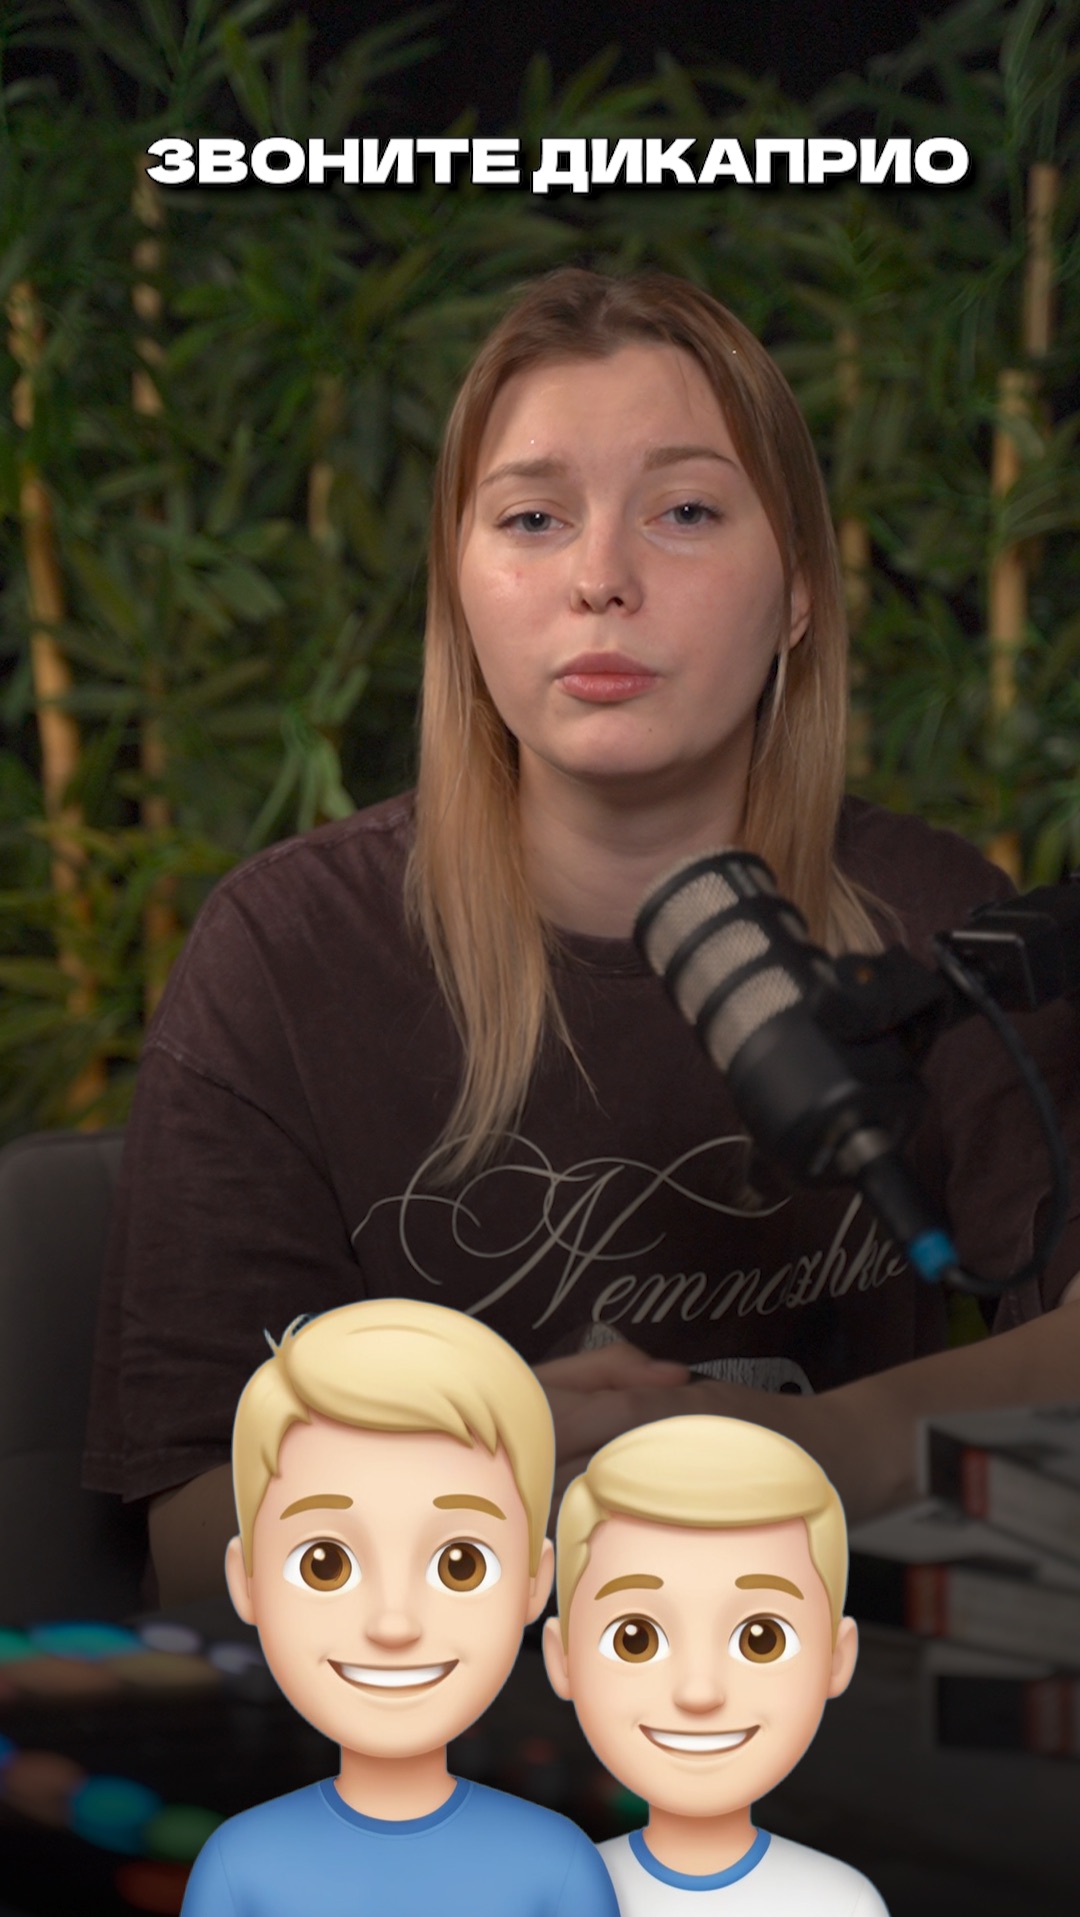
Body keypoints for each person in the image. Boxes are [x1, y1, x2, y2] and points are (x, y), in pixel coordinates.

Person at [83, 267, 1080, 1607]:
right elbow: (191, 1546)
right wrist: (491, 1455)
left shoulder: (933, 921)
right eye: (534, 518)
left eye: (686, 512)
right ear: (460, 588)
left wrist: (816, 1452)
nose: (602, 580)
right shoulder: (284, 955)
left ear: (796, 590)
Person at [180, 1296, 619, 1915]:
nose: (393, 1624)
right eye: (325, 1564)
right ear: (246, 1580)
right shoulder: (238, 1865)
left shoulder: (560, 1865)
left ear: (535, 1581)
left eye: (460, 1564)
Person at [542, 1414, 889, 1914]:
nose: (699, 1692)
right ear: (562, 1658)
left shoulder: (841, 1902)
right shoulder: (556, 1895)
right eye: (635, 1640)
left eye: (762, 1639)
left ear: (838, 1657)